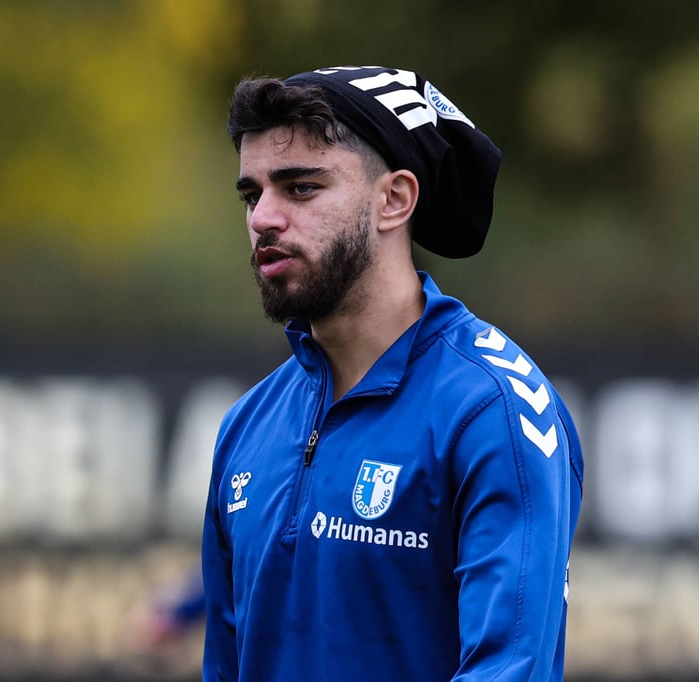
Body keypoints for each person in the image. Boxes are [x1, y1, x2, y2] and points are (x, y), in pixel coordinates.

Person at [201, 65, 584, 681]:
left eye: (300, 187)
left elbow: (508, 669)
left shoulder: (496, 410)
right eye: (253, 194)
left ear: (394, 200)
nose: (262, 219)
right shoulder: (246, 426)